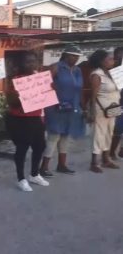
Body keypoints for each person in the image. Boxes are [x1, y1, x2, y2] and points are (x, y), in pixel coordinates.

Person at [5, 52, 49, 192]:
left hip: (36, 118)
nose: (31, 64)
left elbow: (47, 95)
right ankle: (21, 179)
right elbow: (12, 102)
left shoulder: (39, 78)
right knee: (22, 149)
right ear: (22, 64)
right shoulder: (16, 79)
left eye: (33, 61)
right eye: (28, 61)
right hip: (21, 120)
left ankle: (34, 174)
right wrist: (23, 95)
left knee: (40, 146)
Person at [40, 45, 86, 177]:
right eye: (73, 56)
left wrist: (84, 107)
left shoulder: (77, 70)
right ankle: (44, 167)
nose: (76, 58)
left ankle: (62, 164)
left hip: (72, 107)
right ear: (66, 55)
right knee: (53, 137)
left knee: (65, 136)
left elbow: (80, 89)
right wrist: (51, 89)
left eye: (77, 56)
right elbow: (43, 84)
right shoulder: (56, 67)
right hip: (55, 108)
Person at [88, 49, 120, 173]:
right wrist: (91, 111)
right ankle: (94, 162)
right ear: (102, 62)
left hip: (114, 108)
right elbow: (93, 95)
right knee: (99, 134)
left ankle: (106, 159)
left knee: (109, 133)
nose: (113, 61)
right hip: (101, 109)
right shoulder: (97, 75)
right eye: (110, 59)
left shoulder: (112, 73)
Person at [109, 47, 123, 160]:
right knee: (116, 129)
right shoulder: (111, 70)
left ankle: (120, 152)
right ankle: (111, 152)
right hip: (115, 103)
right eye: (118, 57)